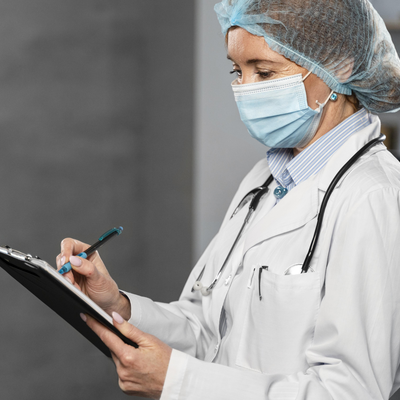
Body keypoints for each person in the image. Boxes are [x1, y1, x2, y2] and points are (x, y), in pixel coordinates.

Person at [57, 0, 400, 399]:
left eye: (264, 72)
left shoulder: (373, 196)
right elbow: (210, 328)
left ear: (339, 66)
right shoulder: (264, 179)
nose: (245, 89)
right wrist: (119, 305)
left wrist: (179, 382)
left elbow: (352, 391)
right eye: (237, 71)